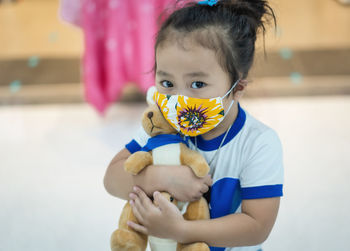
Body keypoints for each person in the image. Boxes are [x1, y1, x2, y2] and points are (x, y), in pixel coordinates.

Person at [104, 0, 284, 250]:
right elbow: (111, 179)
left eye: (197, 84)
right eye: (167, 83)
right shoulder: (161, 124)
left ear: (237, 89)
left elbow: (257, 226)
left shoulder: (258, 143)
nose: (179, 100)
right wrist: (162, 177)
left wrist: (179, 230)